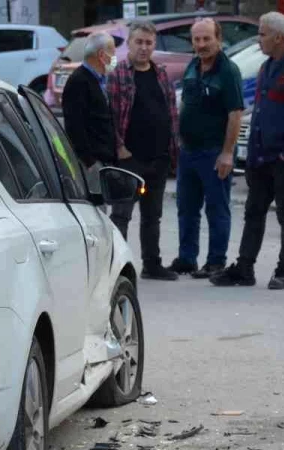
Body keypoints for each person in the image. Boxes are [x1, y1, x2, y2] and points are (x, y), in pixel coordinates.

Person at [211, 12, 284, 290]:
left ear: (279, 37)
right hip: (260, 157)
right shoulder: (267, 66)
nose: (258, 39)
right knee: (253, 212)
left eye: (262, 34)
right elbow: (260, 111)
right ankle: (244, 268)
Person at [171, 18, 244, 279]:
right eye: (197, 39)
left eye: (206, 39)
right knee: (186, 208)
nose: (201, 44)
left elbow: (235, 114)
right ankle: (187, 259)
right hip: (188, 151)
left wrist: (227, 152)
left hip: (214, 152)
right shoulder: (193, 65)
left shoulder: (228, 71)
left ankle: (216, 262)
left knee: (216, 208)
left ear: (218, 39)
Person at [108, 21, 180, 281]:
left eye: (149, 43)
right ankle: (117, 268)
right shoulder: (119, 75)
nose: (144, 47)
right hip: (130, 159)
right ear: (129, 43)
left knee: (153, 217)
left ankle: (152, 264)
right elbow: (112, 115)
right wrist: (120, 148)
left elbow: (171, 112)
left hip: (158, 157)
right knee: (121, 215)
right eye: (139, 42)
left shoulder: (161, 73)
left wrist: (172, 150)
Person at [62, 32, 118, 169]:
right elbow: (75, 126)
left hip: (106, 160)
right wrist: (89, 162)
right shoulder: (79, 81)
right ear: (101, 55)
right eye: (112, 52)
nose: (114, 58)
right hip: (93, 164)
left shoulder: (100, 80)